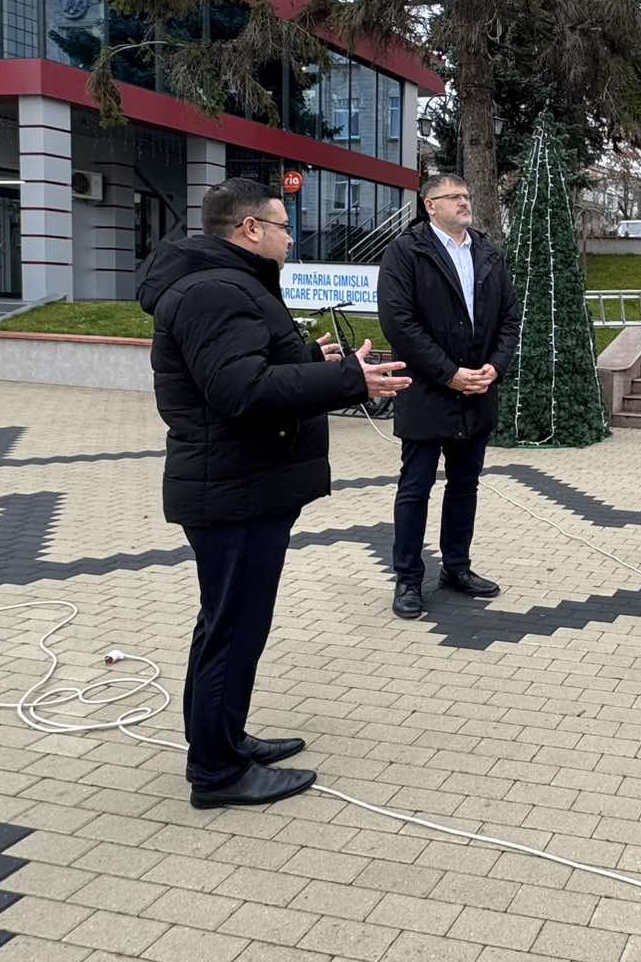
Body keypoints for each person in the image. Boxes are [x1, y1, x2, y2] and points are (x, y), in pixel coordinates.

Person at [138, 178, 411, 808]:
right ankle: (216, 773)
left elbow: (246, 367)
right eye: (284, 226)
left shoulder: (228, 282)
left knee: (234, 624)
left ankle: (225, 740)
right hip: (232, 489)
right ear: (250, 229)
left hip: (245, 484)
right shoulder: (215, 290)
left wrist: (312, 360)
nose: (292, 238)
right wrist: (349, 379)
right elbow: (241, 392)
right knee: (231, 629)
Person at [379, 173, 521, 620]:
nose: (464, 202)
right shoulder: (407, 252)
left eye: (466, 195)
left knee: (465, 486)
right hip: (426, 393)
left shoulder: (487, 252)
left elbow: (510, 318)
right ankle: (408, 578)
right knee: (415, 489)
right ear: (430, 205)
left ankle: (456, 568)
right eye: (453, 196)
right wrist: (449, 374)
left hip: (477, 391)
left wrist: (494, 367)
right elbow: (399, 323)